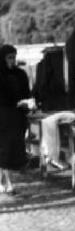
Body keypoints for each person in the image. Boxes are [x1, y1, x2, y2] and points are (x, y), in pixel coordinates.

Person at [0, 44, 31, 194]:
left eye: (14, 57)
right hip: (3, 117)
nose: (12, 61)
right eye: (9, 58)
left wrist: (27, 102)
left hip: (18, 117)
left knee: (13, 150)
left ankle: (3, 181)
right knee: (5, 149)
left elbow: (26, 92)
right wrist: (15, 103)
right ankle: (9, 183)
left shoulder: (20, 74)